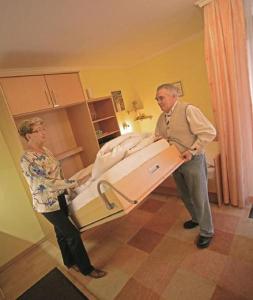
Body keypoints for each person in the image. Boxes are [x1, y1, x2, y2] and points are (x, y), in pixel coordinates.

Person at [18, 117, 106, 278]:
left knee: (61, 233)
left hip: (60, 198)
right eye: (39, 130)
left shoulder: (46, 150)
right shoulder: (27, 159)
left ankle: (69, 262)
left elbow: (58, 173)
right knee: (72, 234)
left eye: (43, 128)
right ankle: (86, 269)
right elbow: (46, 183)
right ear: (28, 136)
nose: (44, 132)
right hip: (46, 204)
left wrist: (67, 191)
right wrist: (75, 182)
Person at [155, 83, 216, 248]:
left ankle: (207, 231)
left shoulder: (188, 110)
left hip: (193, 161)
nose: (158, 102)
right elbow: (159, 137)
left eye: (161, 98)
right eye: (157, 99)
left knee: (199, 196)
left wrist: (192, 150)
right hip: (174, 163)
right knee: (185, 195)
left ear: (174, 96)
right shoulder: (161, 118)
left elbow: (209, 132)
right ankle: (196, 219)